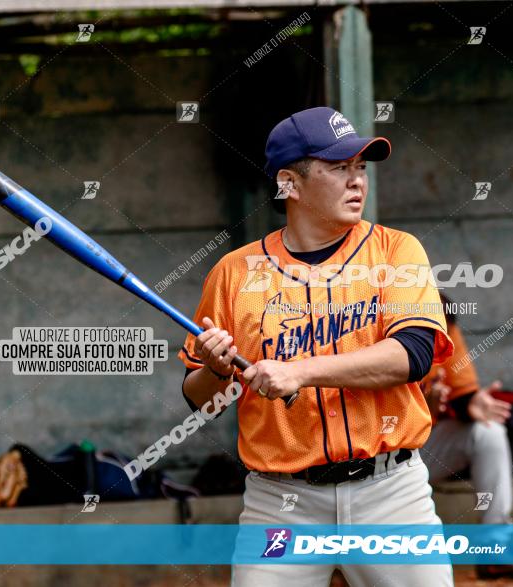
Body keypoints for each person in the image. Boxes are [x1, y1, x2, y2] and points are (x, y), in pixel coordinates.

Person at [179, 106, 455, 586]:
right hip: (280, 502)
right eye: (338, 167)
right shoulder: (233, 274)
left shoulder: (396, 250)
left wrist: (300, 372)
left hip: (390, 493)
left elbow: (412, 355)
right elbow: (198, 399)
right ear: (290, 183)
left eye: (360, 168)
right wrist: (217, 369)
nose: (357, 182)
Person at [420, 299, 513, 581]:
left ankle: (495, 546)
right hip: (371, 458)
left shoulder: (442, 322)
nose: (435, 340)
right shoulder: (373, 335)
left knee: (488, 432)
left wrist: (471, 405)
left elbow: (462, 393)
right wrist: (419, 410)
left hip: (422, 450)